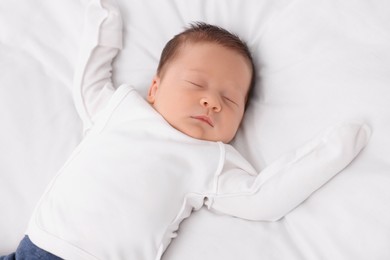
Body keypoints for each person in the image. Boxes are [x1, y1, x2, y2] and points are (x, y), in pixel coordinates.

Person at [1, 0, 370, 259]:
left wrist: (333, 151)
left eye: (230, 100)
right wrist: (103, 17)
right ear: (155, 88)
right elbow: (89, 82)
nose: (212, 102)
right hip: (42, 244)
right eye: (197, 85)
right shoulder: (123, 110)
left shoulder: (212, 160)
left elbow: (263, 200)